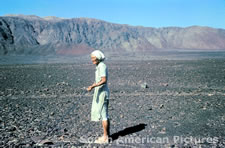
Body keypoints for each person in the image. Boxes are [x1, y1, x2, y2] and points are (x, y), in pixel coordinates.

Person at [87, 50, 110, 144]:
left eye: (93, 58)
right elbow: (100, 80)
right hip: (100, 92)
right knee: (104, 114)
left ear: (98, 57)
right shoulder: (99, 66)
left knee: (104, 115)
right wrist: (95, 85)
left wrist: (93, 86)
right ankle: (106, 135)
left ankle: (105, 137)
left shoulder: (102, 66)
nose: (92, 60)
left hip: (102, 93)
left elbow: (104, 80)